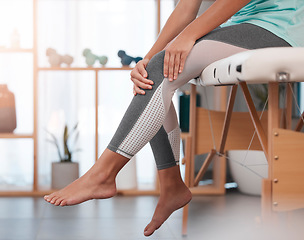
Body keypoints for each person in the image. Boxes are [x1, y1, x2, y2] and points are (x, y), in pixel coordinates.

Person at [44, 0, 304, 237]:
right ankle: (172, 186)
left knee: (161, 69)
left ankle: (103, 174)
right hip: (241, 26)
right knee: (152, 74)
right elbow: (185, 9)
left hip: (278, 29)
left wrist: (188, 36)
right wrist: (146, 60)